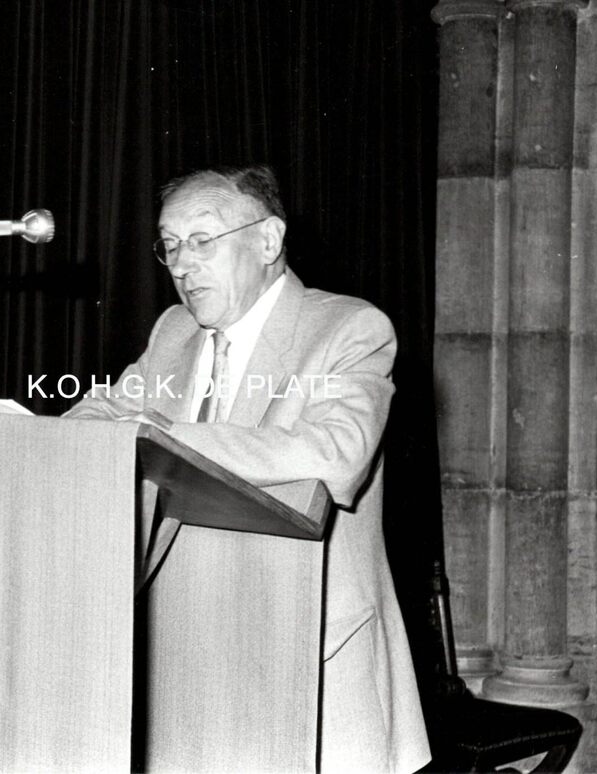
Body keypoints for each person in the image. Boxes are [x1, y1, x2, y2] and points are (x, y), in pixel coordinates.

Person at [65, 164, 430, 772]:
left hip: (311, 657)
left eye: (202, 240)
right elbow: (106, 407)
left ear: (267, 240)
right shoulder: (175, 331)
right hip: (189, 659)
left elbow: (337, 451)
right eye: (170, 245)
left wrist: (167, 437)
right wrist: (57, 435)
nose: (182, 264)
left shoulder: (348, 327)